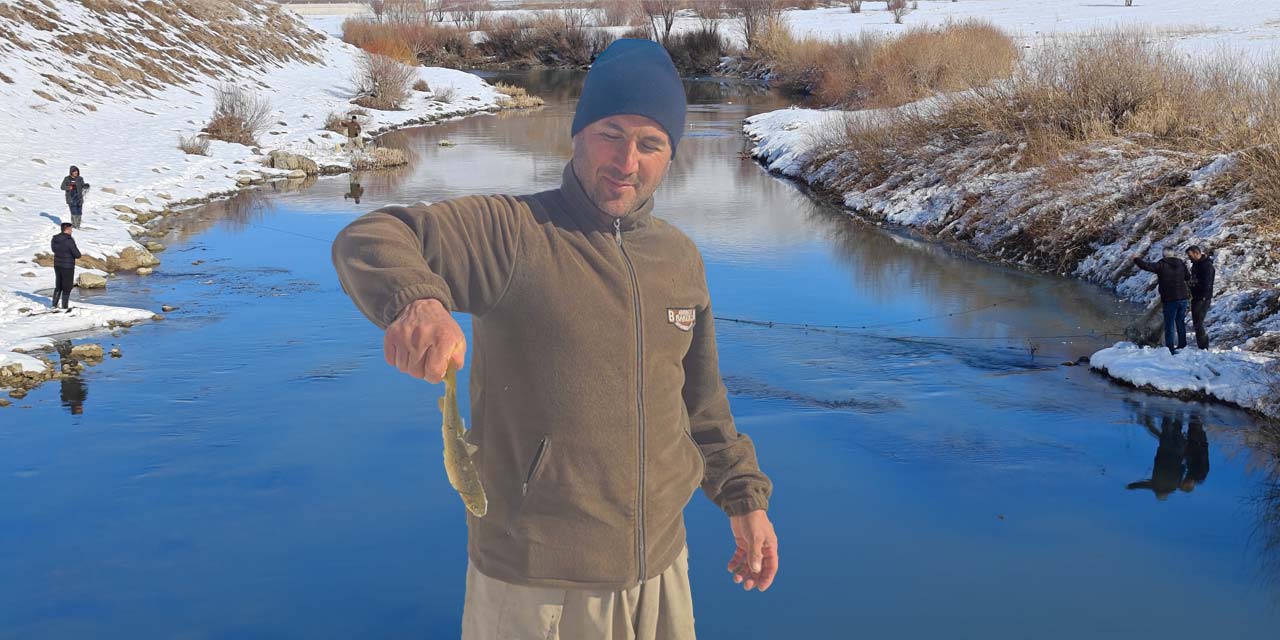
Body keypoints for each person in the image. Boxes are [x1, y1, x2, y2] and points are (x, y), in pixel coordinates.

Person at [332, 39, 777, 640]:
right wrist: (417, 300)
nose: (627, 160)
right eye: (610, 134)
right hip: (537, 586)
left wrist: (743, 497)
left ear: (671, 155)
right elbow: (374, 234)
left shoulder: (679, 258)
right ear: (577, 134)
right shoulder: (513, 234)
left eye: (650, 144)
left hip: (662, 572)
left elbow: (700, 402)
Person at [1133, 247, 1191, 355]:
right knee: (1180, 322)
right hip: (1183, 298)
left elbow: (1146, 266)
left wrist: (1136, 259)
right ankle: (1182, 345)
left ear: (1163, 255)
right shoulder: (1181, 264)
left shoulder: (1162, 264)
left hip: (1170, 299)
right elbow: (1187, 277)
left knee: (1169, 324)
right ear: (1174, 254)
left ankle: (1170, 349)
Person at [1186, 245, 1215, 350]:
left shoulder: (1207, 266)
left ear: (1196, 253)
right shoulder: (1195, 265)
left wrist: (1194, 283)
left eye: (1190, 256)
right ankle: (1201, 346)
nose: (1189, 258)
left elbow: (1207, 284)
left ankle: (1204, 347)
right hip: (1196, 296)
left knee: (1198, 323)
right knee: (1196, 322)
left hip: (1203, 297)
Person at [50, 222, 81, 311]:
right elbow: (77, 254)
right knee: (67, 286)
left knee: (58, 285)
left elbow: (53, 250)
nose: (72, 231)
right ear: (67, 229)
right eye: (71, 229)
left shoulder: (54, 239)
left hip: (57, 264)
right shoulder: (69, 240)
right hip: (67, 266)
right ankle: (64, 306)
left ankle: (54, 305)